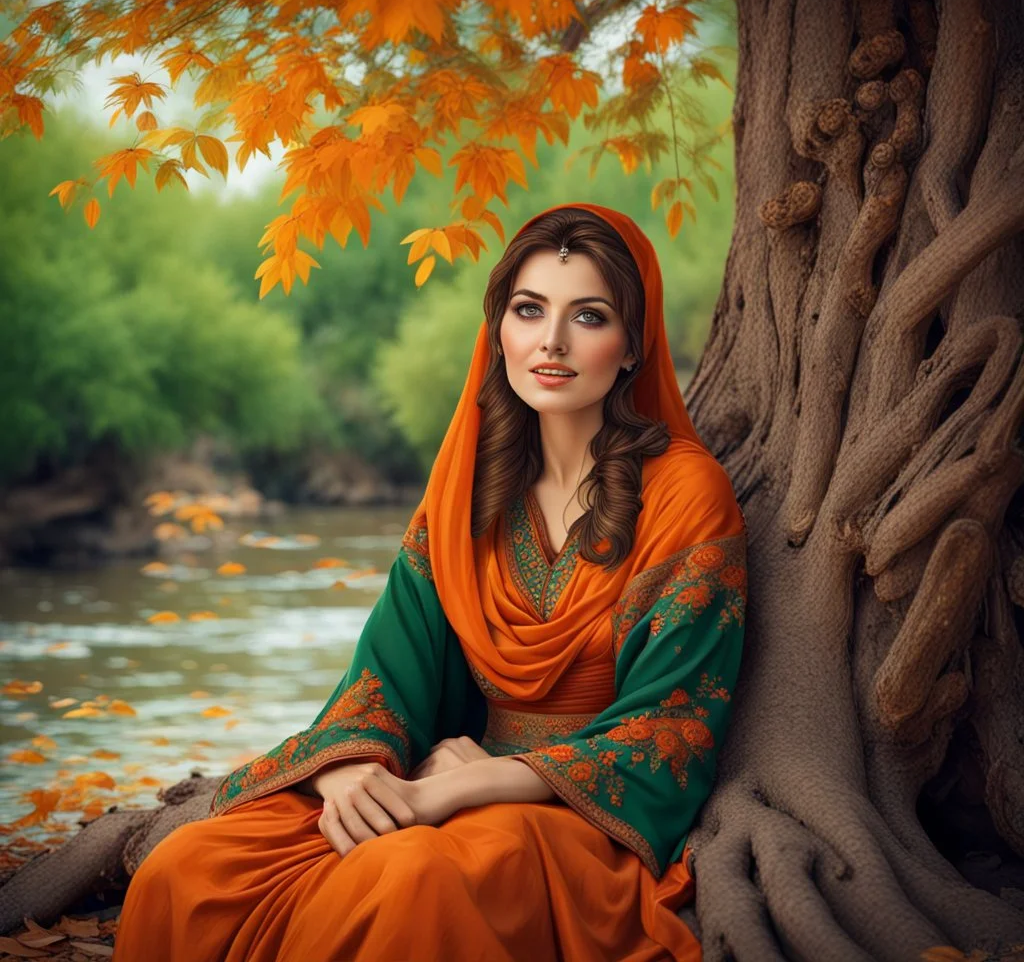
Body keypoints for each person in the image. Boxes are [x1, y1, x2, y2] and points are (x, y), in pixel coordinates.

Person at [111, 202, 747, 962]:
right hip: (438, 777)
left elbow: (667, 737)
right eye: (528, 309)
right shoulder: (469, 493)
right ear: (498, 330)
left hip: (580, 819)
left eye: (589, 316)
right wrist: (347, 769)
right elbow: (384, 676)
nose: (551, 341)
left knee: (407, 876)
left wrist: (458, 788)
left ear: (633, 344)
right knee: (189, 868)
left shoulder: (684, 494)